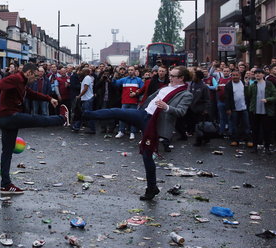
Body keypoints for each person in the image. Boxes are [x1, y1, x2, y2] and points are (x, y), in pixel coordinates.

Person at [81, 66, 193, 201]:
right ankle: (83, 115)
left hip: (153, 124)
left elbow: (181, 112)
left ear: (181, 78)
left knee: (147, 156)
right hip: (143, 114)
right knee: (117, 112)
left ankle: (152, 188)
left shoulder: (186, 94)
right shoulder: (165, 88)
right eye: (170, 75)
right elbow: (149, 98)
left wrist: (166, 106)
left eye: (173, 76)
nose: (170, 78)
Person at [0, 63, 69, 195]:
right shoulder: (16, 78)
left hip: (5, 120)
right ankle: (62, 119)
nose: (36, 79)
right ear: (29, 73)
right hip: (10, 117)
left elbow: (31, 94)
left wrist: (49, 98)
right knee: (38, 119)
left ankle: (5, 185)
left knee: (7, 152)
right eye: (35, 76)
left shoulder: (23, 83)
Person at [246, 68, 276, 154]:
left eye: (259, 73)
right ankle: (254, 147)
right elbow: (248, 96)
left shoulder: (269, 84)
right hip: (255, 111)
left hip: (266, 111)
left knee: (267, 130)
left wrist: (267, 99)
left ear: (263, 75)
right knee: (255, 130)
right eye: (256, 73)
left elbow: (275, 96)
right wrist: (246, 84)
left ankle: (267, 147)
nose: (257, 75)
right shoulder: (253, 85)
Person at [113, 66, 144, 140]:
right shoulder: (124, 79)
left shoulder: (139, 80)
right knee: (122, 117)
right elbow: (115, 84)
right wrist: (114, 77)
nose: (130, 71)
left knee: (133, 118)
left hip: (134, 101)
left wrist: (136, 93)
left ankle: (132, 132)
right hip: (125, 101)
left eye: (131, 70)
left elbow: (142, 90)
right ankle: (121, 131)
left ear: (134, 71)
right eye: (129, 70)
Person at [225, 70, 251, 147]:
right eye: (233, 75)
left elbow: (247, 95)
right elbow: (227, 98)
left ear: (240, 76)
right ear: (231, 76)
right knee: (234, 125)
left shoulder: (244, 83)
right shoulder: (228, 85)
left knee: (246, 124)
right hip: (234, 108)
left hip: (244, 107)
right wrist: (228, 109)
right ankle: (234, 140)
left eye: (237, 75)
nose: (235, 77)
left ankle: (248, 140)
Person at [71, 68, 95, 134]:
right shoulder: (86, 78)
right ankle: (77, 126)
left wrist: (79, 95)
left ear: (85, 72)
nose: (81, 72)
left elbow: (85, 88)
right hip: (86, 99)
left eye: (82, 71)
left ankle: (92, 129)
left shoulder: (87, 78)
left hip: (87, 99)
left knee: (88, 114)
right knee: (84, 114)